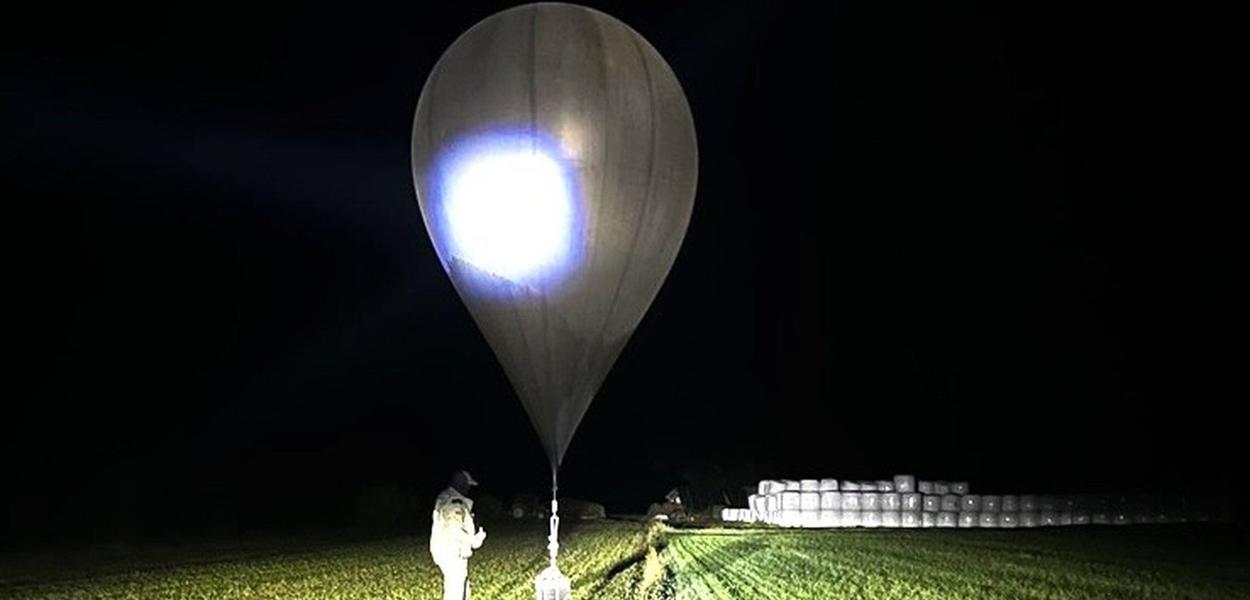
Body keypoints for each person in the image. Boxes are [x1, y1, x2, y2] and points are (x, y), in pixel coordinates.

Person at [430, 470, 487, 600]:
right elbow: (454, 529)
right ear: (460, 484)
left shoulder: (445, 497)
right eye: (467, 485)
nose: (469, 489)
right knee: (455, 591)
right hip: (453, 551)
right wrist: (474, 540)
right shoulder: (455, 502)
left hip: (446, 550)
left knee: (462, 588)